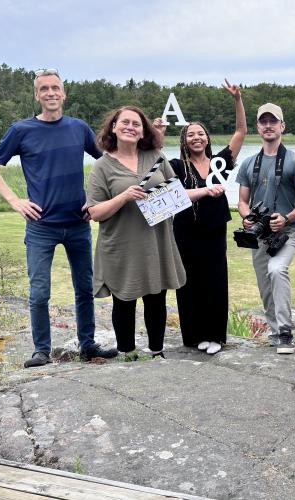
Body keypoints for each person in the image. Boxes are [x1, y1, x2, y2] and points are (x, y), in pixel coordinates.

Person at [0, 68, 118, 368]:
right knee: (39, 291)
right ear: (37, 95)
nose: (51, 93)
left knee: (85, 288)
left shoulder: (79, 128)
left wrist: (100, 202)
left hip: (78, 223)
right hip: (41, 226)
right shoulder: (21, 130)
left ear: (64, 93)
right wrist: (15, 200)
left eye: (55, 88)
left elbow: (110, 162)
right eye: (44, 89)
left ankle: (87, 344)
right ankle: (41, 350)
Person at [87, 106, 186, 359]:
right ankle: (127, 355)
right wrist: (124, 196)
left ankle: (157, 353)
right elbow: (95, 212)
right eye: (125, 122)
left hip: (156, 241)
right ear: (114, 127)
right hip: (121, 244)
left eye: (137, 124)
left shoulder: (156, 156)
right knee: (124, 299)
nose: (131, 127)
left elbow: (176, 194)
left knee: (156, 298)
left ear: (144, 131)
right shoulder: (102, 166)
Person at [167, 80, 246, 355]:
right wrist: (204, 190)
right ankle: (194, 335)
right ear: (184, 142)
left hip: (213, 231)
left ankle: (215, 335)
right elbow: (175, 197)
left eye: (200, 134)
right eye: (191, 135)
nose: (196, 138)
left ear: (207, 138)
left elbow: (240, 131)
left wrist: (237, 100)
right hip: (186, 231)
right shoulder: (176, 166)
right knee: (189, 283)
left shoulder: (219, 164)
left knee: (214, 280)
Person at [237, 103, 295, 355]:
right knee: (265, 285)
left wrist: (287, 218)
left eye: (273, 121)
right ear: (258, 127)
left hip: (286, 232)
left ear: (282, 126)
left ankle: (285, 332)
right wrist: (247, 218)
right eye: (263, 122)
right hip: (260, 235)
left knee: (277, 270)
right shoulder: (249, 163)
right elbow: (242, 201)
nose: (268, 126)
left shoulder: (294, 160)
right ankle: (274, 331)